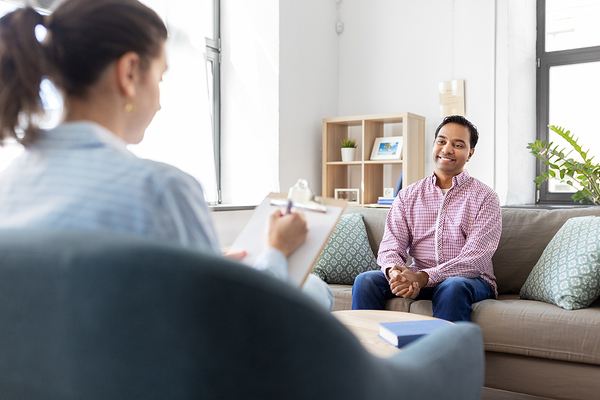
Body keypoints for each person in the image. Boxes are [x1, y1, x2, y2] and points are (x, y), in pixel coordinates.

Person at [0, 0, 332, 310]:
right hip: (148, 371)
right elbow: (231, 324)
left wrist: (207, 260)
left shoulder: (10, 183)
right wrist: (276, 250)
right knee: (316, 289)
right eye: (160, 77)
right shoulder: (161, 190)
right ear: (129, 73)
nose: (159, 102)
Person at [352, 115, 502, 321]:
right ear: (433, 145)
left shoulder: (485, 197)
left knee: (453, 286)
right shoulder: (408, 195)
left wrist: (424, 277)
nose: (447, 149)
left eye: (458, 145)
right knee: (366, 280)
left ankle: (440, 353)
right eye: (441, 141)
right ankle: (363, 351)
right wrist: (396, 274)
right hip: (418, 276)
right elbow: (391, 245)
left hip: (469, 280)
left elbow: (475, 259)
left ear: (470, 153)